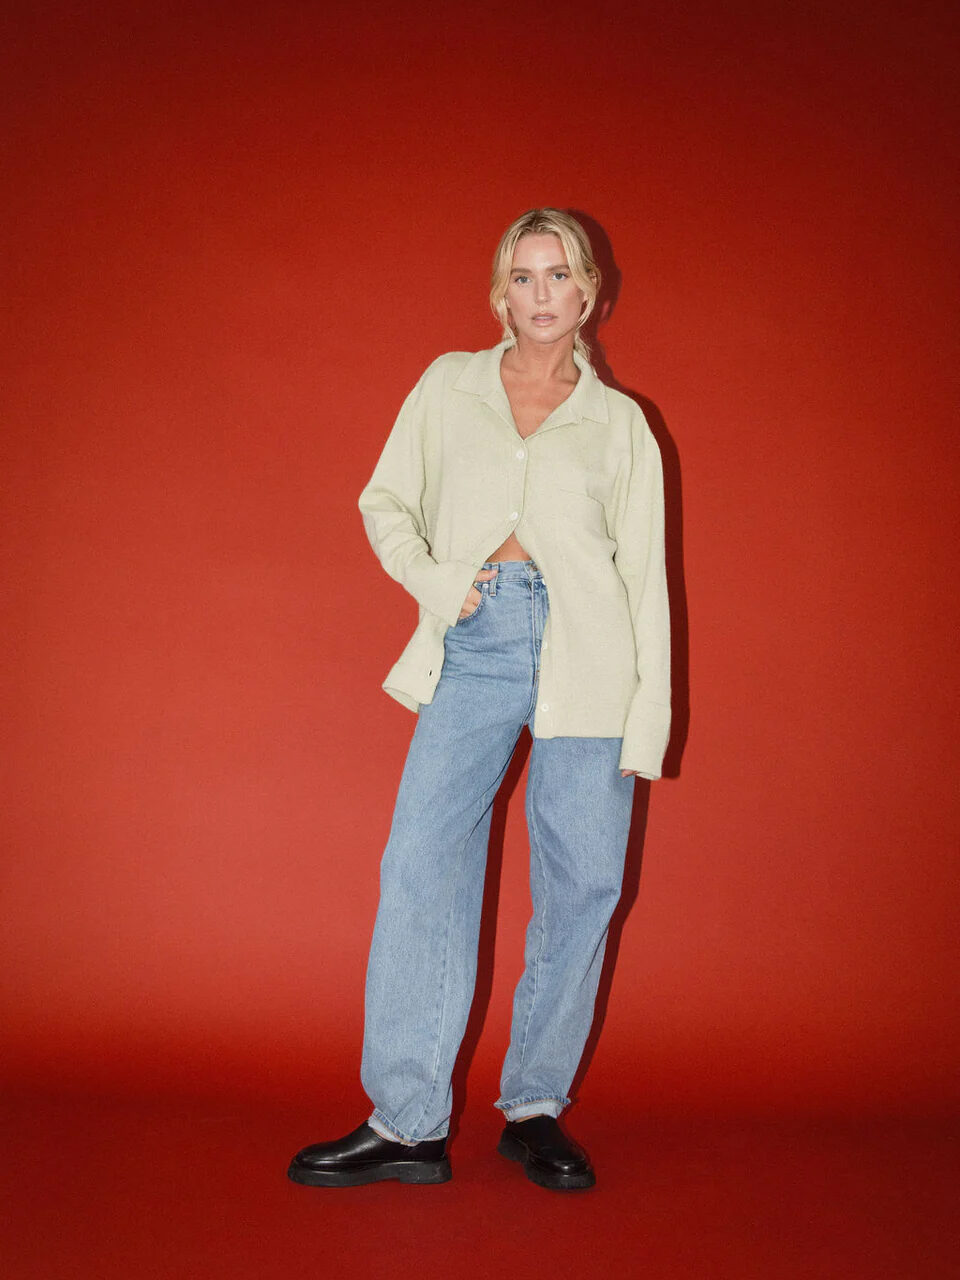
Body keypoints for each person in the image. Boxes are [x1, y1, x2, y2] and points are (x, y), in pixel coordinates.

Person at [287, 208, 671, 1192]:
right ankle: (407, 1119)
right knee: (420, 858)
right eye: (522, 277)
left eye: (559, 276)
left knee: (582, 881)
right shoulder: (448, 386)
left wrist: (648, 718)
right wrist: (439, 578)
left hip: (593, 653)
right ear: (499, 293)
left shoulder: (621, 426)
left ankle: (534, 1106)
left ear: (592, 292)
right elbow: (384, 500)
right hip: (481, 634)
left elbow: (645, 584)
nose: (541, 295)